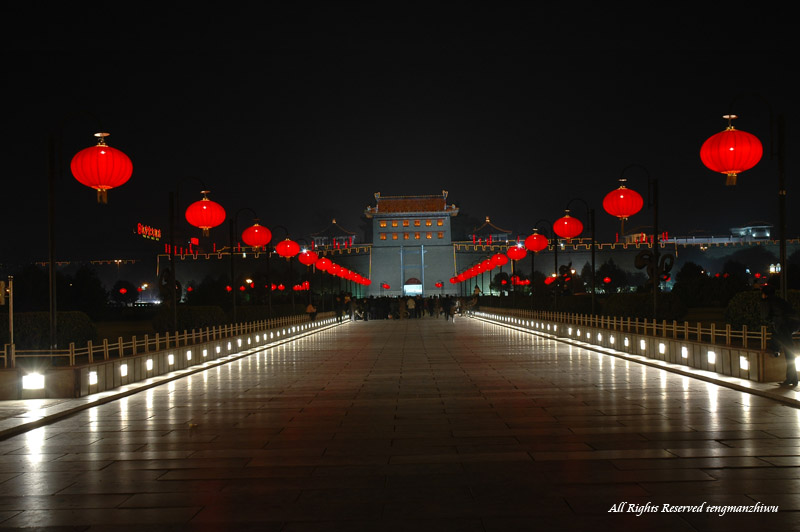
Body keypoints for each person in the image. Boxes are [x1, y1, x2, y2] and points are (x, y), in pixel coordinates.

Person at [760, 285, 800, 386]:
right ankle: (793, 379)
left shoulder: (767, 301)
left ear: (765, 294)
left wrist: (772, 319)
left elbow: (765, 316)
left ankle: (790, 379)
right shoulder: (780, 300)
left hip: (782, 326)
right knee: (788, 349)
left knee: (788, 351)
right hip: (793, 325)